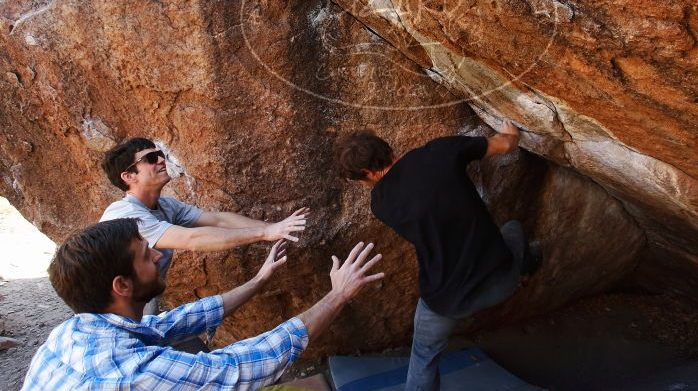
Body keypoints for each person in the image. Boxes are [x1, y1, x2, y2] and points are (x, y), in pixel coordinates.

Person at [22, 218, 384, 390]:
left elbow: (177, 321)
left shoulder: (73, 331)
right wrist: (338, 294)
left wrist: (259, 280)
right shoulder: (133, 375)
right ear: (122, 285)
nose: (158, 251)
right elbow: (238, 368)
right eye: (144, 254)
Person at [334, 121, 542, 391]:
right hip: (499, 281)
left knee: (423, 356)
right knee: (513, 229)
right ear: (385, 148)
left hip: (446, 301)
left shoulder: (381, 204)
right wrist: (511, 128)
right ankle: (524, 272)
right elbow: (505, 143)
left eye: (358, 181)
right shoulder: (440, 152)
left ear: (368, 173)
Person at [101, 138, 308, 313]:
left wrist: (275, 227)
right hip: (110, 308)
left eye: (160, 154)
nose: (162, 160)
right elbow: (192, 239)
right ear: (129, 176)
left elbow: (219, 220)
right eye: (151, 158)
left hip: (140, 302)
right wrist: (265, 233)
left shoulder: (166, 206)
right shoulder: (127, 215)